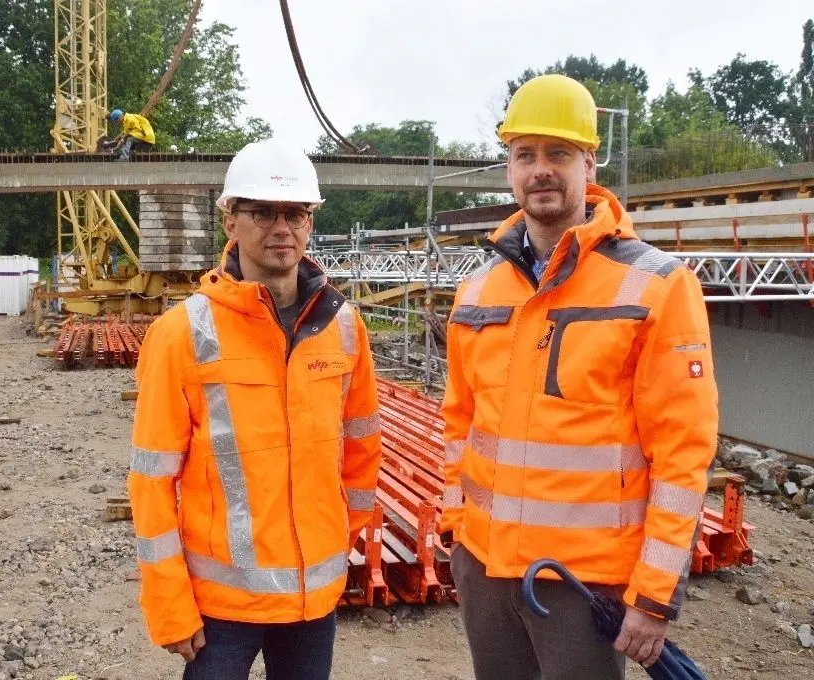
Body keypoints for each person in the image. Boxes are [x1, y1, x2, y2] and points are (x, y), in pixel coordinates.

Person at [440, 73, 719, 679]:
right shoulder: (479, 289)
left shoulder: (656, 286)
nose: (540, 170)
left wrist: (653, 595)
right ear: (509, 168)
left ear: (589, 164)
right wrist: (456, 527)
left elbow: (682, 453)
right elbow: (459, 420)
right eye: (525, 154)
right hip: (484, 568)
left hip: (581, 581)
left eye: (558, 153)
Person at [127, 138, 383, 680]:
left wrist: (334, 545)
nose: (281, 228)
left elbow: (361, 452)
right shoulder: (181, 335)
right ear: (231, 221)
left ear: (310, 221)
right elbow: (152, 482)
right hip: (222, 606)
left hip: (312, 599)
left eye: (295, 213)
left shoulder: (343, 327)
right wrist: (170, 602)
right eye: (263, 212)